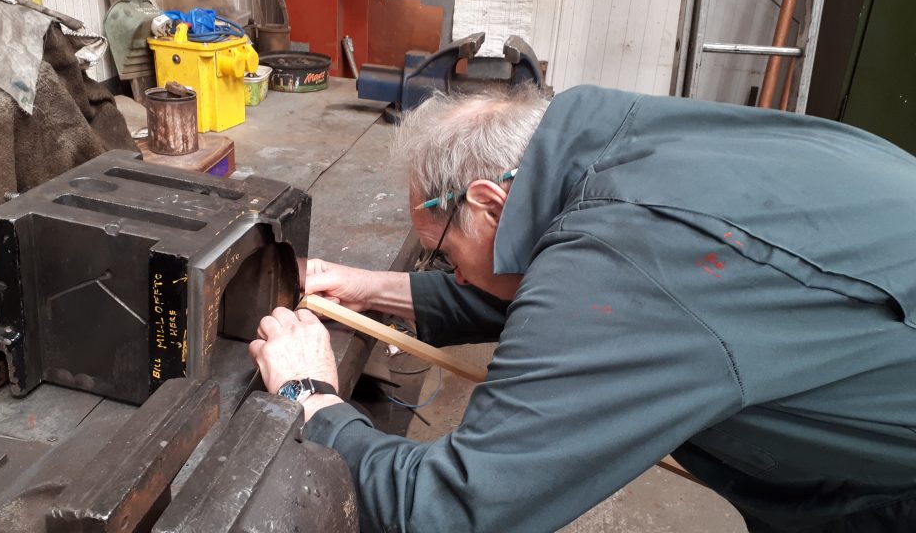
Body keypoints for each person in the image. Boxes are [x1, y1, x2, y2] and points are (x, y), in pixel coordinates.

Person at [248, 85, 916, 532]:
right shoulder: (606, 138)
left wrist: (314, 399)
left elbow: (454, 508)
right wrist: (366, 287)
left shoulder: (635, 256)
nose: (447, 271)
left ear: (487, 203)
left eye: (443, 256)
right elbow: (561, 291)